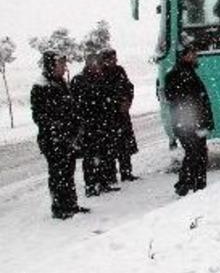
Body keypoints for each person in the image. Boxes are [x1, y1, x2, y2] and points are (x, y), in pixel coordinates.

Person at [30, 51, 89, 219]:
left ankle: (71, 205)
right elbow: (39, 116)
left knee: (68, 172)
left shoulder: (60, 83)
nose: (64, 68)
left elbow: (70, 108)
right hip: (53, 139)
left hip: (67, 138)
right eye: (61, 64)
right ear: (51, 65)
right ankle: (59, 208)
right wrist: (59, 127)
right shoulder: (40, 86)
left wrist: (76, 124)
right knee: (58, 174)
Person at [163, 45, 214, 195]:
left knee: (197, 152)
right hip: (188, 122)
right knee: (195, 152)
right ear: (184, 56)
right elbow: (178, 98)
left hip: (192, 121)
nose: (195, 58)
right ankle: (186, 185)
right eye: (193, 55)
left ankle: (195, 184)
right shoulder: (179, 74)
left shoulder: (185, 73)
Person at [71, 52, 121, 196]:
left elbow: (109, 97)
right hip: (89, 124)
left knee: (104, 154)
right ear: (88, 64)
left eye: (98, 64)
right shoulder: (79, 80)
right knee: (90, 157)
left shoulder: (101, 78)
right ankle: (91, 185)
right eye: (94, 64)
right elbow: (78, 103)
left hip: (103, 123)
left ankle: (103, 182)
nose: (97, 67)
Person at [100, 48, 139, 181]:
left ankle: (126, 172)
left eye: (115, 58)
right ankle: (111, 175)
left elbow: (128, 87)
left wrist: (127, 101)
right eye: (111, 59)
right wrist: (114, 103)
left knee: (124, 145)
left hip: (122, 114)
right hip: (109, 116)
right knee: (110, 147)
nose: (114, 61)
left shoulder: (119, 70)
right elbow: (102, 94)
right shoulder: (100, 73)